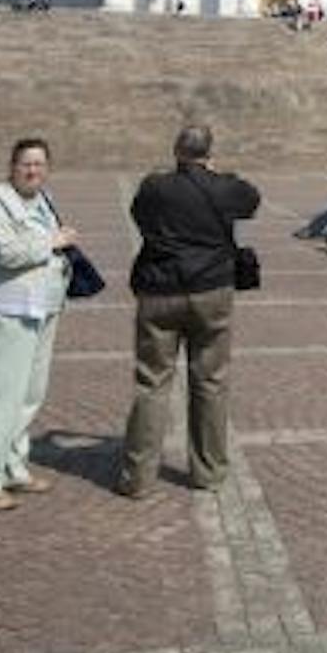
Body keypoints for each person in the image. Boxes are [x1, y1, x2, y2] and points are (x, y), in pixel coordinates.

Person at [116, 125, 262, 499]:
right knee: (210, 382)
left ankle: (137, 476)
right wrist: (216, 174)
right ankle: (209, 471)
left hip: (159, 290)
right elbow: (252, 199)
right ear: (208, 153)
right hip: (210, 290)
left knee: (152, 383)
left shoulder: (153, 186)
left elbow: (140, 215)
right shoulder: (223, 187)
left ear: (175, 151)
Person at [0, 137, 76, 510]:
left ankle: (13, 465)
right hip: (5, 311)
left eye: (40, 164)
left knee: (29, 394)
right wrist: (52, 241)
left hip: (41, 308)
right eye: (26, 164)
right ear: (12, 167)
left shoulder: (44, 200)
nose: (33, 171)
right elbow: (6, 252)